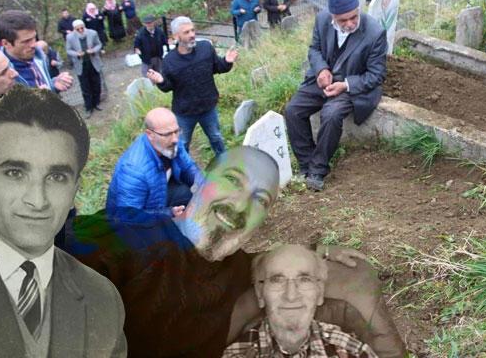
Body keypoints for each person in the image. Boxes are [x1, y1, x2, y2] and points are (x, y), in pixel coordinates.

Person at [64, 146, 406, 357]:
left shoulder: (243, 270)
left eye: (260, 200)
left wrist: (317, 250)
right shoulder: (131, 234)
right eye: (232, 180)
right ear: (198, 182)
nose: (241, 204)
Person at [0, 87, 126, 356]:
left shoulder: (103, 299)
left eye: (57, 177)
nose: (37, 200)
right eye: (15, 172)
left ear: (74, 191)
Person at [285, 0, 387, 191]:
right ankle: (306, 164)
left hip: (353, 85)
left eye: (353, 17)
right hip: (324, 79)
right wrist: (321, 69)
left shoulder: (375, 33)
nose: (350, 24)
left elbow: (376, 75)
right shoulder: (322, 19)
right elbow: (314, 49)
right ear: (333, 17)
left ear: (358, 10)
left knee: (331, 114)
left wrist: (345, 85)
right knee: (292, 110)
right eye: (343, 21)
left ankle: (318, 169)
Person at [223, 244, 378, 357]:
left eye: (304, 280)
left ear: (319, 292)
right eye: (277, 280)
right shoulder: (236, 355)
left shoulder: (352, 351)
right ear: (260, 294)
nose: (291, 296)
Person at [146, 16, 237, 156]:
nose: (192, 35)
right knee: (182, 145)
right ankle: (184, 173)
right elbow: (168, 87)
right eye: (186, 32)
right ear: (176, 36)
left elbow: (218, 67)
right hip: (184, 113)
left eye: (193, 30)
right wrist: (160, 81)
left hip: (208, 107)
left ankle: (223, 163)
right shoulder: (170, 60)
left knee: (216, 138)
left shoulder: (205, 48)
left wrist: (227, 61)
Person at [106, 107, 203, 221]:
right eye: (167, 134)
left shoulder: (172, 142)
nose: (175, 139)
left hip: (159, 190)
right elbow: (129, 217)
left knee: (187, 194)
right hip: (135, 219)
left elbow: (188, 167)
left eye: (176, 131)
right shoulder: (134, 170)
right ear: (150, 134)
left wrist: (204, 183)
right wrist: (167, 213)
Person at [0, 10, 73, 92]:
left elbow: (43, 88)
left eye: (34, 38)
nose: (33, 44)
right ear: (6, 43)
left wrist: (53, 85)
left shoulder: (38, 56)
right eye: (26, 41)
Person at [65, 20, 103, 117]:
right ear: (74, 29)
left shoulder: (93, 33)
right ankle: (88, 107)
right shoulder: (70, 37)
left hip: (93, 62)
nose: (81, 30)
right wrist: (77, 54)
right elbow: (68, 50)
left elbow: (99, 44)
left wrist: (93, 50)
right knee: (85, 87)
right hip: (81, 65)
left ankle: (96, 103)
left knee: (96, 84)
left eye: (82, 28)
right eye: (78, 29)